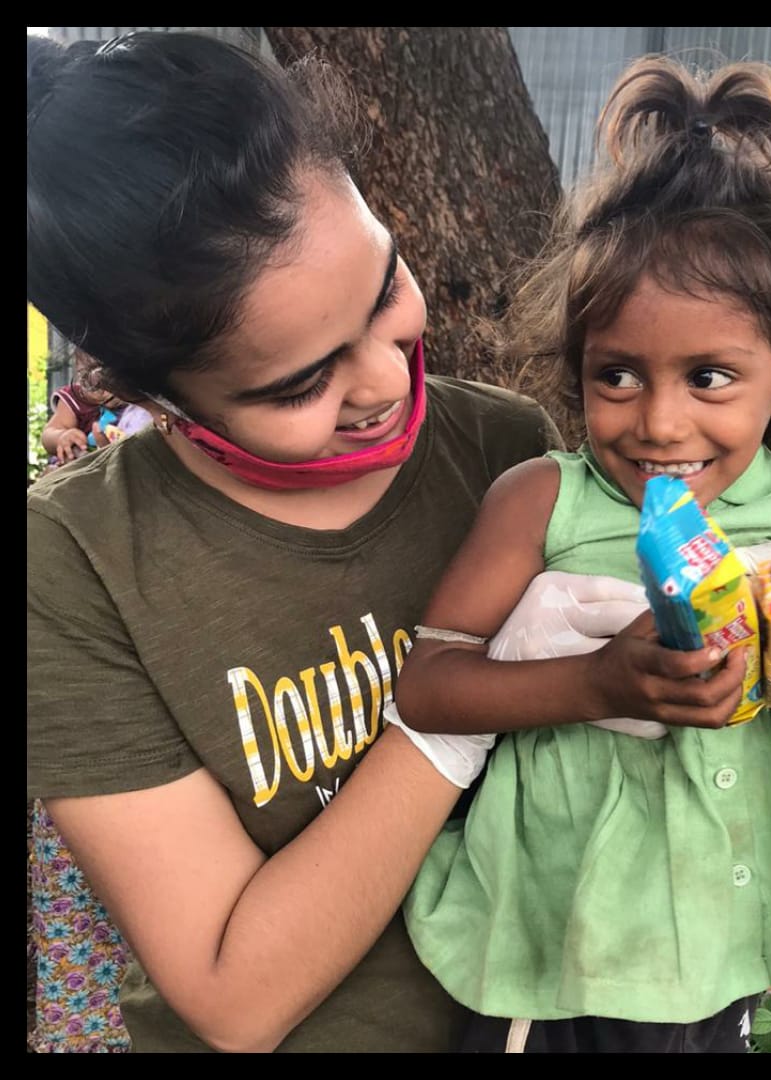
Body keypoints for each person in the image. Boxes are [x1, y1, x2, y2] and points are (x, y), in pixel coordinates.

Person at [27, 30, 637, 1053]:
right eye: (301, 384)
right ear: (145, 393)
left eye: (387, 287)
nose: (389, 382)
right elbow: (233, 997)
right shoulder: (74, 566)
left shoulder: (506, 454)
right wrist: (456, 712)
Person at [391, 56, 771, 1053]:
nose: (658, 422)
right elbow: (430, 688)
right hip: (556, 943)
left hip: (720, 943)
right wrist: (597, 681)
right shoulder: (544, 502)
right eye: (617, 374)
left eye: (709, 375)